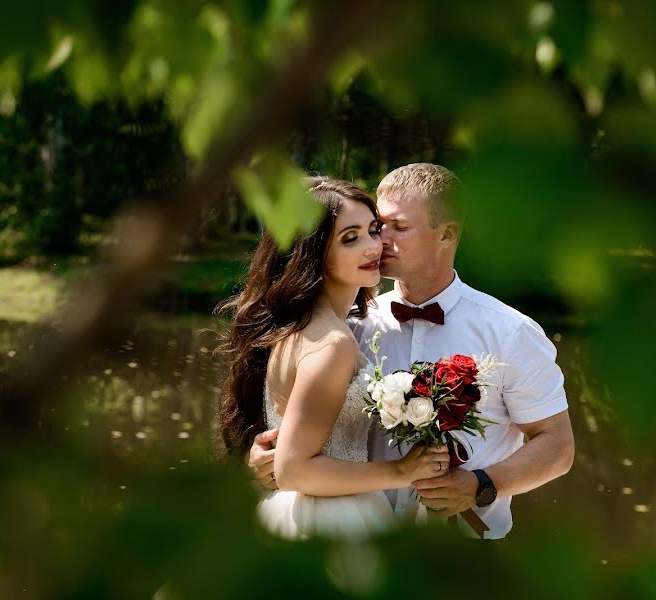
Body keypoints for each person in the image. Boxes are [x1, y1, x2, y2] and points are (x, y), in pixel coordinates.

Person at [247, 164, 575, 539]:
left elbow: (557, 445)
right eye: (377, 225)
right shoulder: (351, 327)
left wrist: (482, 483)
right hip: (355, 535)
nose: (380, 241)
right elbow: (299, 434)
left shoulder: (510, 333)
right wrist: (261, 458)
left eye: (397, 227)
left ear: (446, 234)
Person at [216, 176, 450, 539]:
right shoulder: (332, 343)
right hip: (331, 518)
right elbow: (294, 469)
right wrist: (402, 472)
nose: (374, 246)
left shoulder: (302, 326)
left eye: (373, 230)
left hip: (301, 509)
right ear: (313, 253)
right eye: (350, 238)